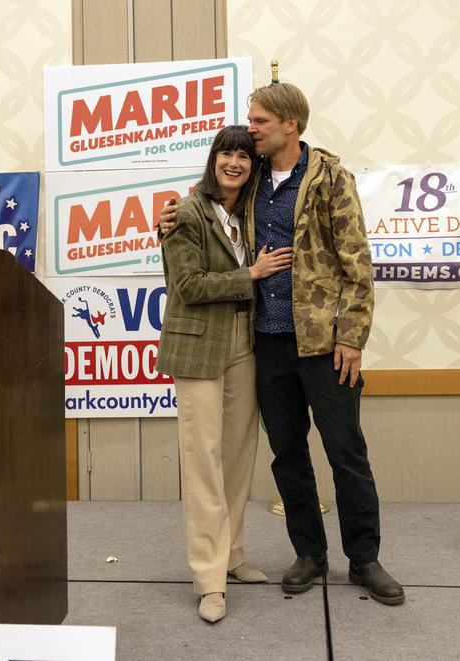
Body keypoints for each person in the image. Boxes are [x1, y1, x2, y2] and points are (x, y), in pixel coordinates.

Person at [162, 83, 404, 605]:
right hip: (264, 344)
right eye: (250, 121)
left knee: (346, 452)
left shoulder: (331, 178)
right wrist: (170, 216)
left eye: (260, 121)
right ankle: (310, 553)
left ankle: (364, 559)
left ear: (290, 124)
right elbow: (209, 209)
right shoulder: (249, 183)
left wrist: (353, 336)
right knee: (287, 454)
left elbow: (357, 263)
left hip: (325, 345)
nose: (251, 129)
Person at [156, 125, 293, 623]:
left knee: (238, 454)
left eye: (243, 155)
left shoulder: (253, 212)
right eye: (226, 153)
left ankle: (232, 555)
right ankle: (209, 578)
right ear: (213, 159)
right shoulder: (185, 212)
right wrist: (250, 275)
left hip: (245, 340)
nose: (234, 162)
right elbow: (187, 286)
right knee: (203, 460)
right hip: (198, 346)